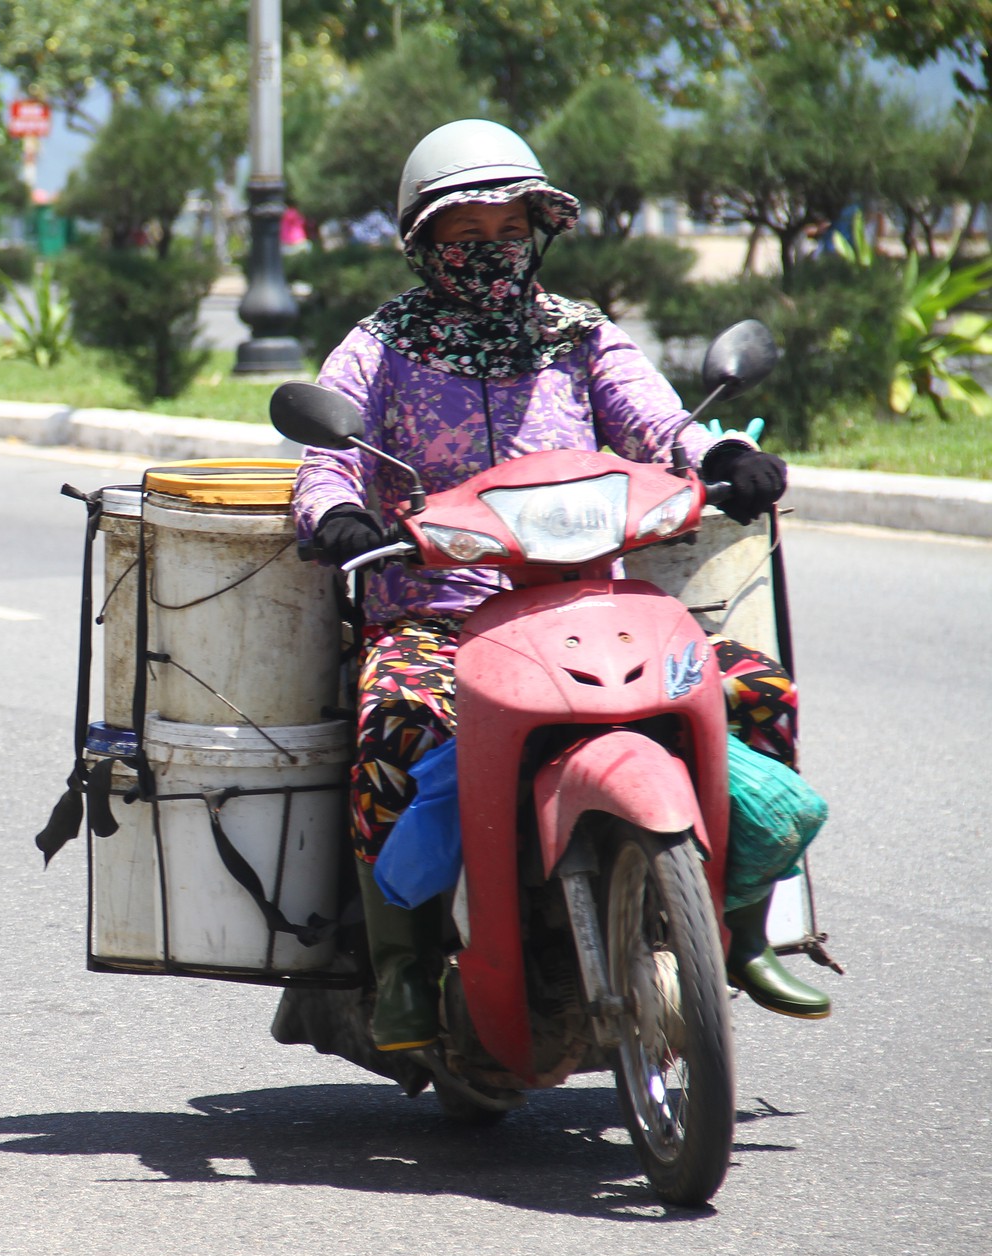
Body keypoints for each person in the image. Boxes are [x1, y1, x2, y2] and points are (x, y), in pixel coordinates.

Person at [291, 119, 830, 1053]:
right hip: (440, 617)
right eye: (465, 238)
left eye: (509, 233)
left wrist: (725, 453)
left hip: (589, 607)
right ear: (423, 243)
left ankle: (741, 928)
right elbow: (326, 464)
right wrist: (336, 514)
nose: (490, 256)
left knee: (753, 688)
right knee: (395, 722)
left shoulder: (583, 335)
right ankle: (406, 966)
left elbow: (662, 424)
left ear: (538, 231)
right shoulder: (376, 348)